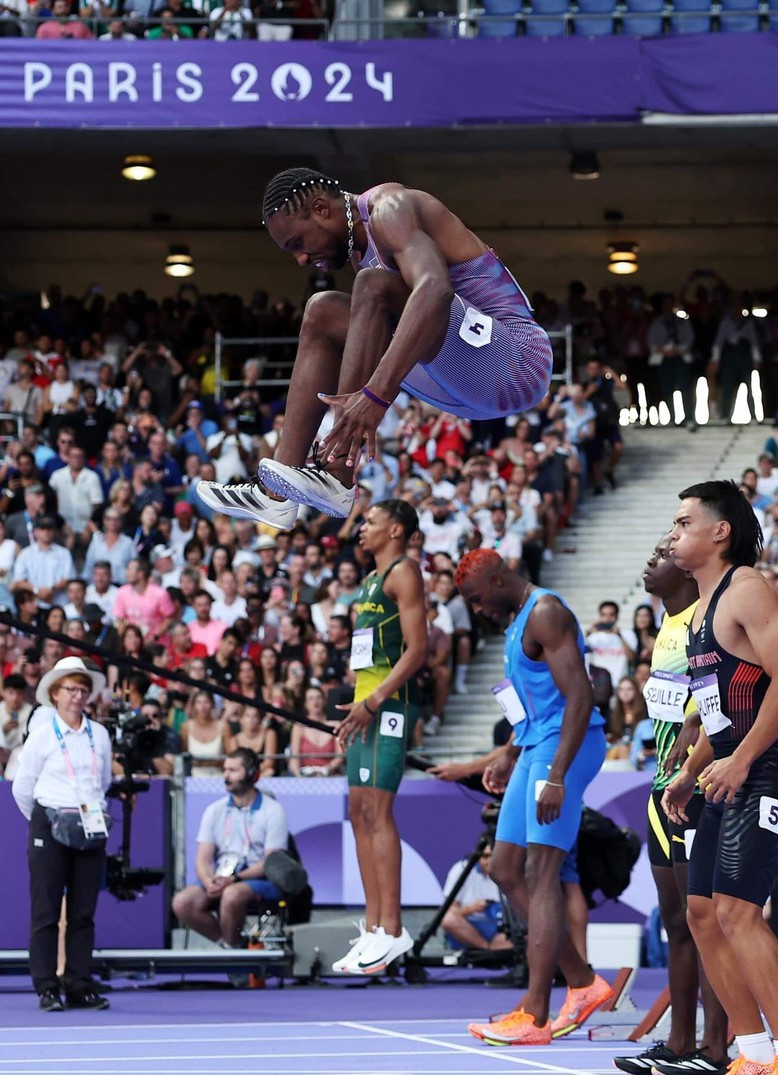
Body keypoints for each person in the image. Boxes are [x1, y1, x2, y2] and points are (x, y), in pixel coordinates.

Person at [196, 169, 552, 528]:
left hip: (517, 362)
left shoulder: (389, 209)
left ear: (321, 209)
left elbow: (435, 291)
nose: (301, 260)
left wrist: (375, 396)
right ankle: (275, 494)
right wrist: (372, 393)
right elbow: (402, 335)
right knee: (321, 311)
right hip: (461, 384)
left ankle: (337, 473)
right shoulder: (357, 245)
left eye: (297, 244)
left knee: (373, 285)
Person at [662, 480, 778, 1075]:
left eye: (683, 522)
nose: (673, 533)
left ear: (719, 531)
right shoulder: (700, 610)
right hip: (730, 770)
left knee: (737, 911)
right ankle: (751, 1051)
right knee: (700, 911)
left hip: (769, 768)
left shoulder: (747, 588)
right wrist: (692, 769)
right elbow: (720, 708)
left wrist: (743, 759)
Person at [454, 548, 611, 1047]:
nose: (477, 609)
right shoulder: (517, 620)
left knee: (540, 875)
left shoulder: (545, 612)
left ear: (499, 578)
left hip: (566, 748)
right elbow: (535, 707)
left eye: (477, 599)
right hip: (537, 746)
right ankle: (583, 984)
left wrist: (558, 775)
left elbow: (581, 698)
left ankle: (536, 1014)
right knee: (503, 868)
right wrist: (508, 753)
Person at [614, 537, 728, 1075]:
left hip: (697, 788)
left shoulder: (702, 623)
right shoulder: (666, 627)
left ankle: (716, 1048)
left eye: (660, 554)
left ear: (683, 570)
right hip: (660, 788)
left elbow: (721, 699)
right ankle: (679, 1045)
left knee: (703, 921)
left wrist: (692, 735)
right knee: (676, 924)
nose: (649, 560)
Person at [329, 499, 427, 974]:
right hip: (366, 704)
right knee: (357, 809)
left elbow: (419, 649)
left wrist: (374, 702)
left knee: (378, 809)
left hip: (390, 706)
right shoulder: (369, 580)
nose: (360, 527)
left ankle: (392, 927)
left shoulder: (404, 572)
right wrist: (355, 706)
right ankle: (371, 928)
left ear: (395, 530)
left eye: (370, 521)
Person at [11, 657, 111, 1012]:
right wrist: (44, 820)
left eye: (83, 689)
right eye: (71, 689)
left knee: (84, 911)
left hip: (89, 823)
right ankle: (47, 987)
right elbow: (22, 787)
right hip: (49, 823)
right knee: (46, 910)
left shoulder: (99, 734)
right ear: (55, 694)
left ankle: (79, 984)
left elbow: (104, 783)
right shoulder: (41, 736)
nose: (78, 696)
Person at [171, 749, 296, 948]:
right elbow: (203, 858)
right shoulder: (215, 810)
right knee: (182, 902)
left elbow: (271, 863)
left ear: (251, 774)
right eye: (225, 770)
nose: (226, 776)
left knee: (232, 894)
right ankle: (231, 946)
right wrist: (209, 881)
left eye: (233, 770)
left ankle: (234, 955)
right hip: (224, 877)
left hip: (260, 880)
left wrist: (234, 879)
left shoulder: (272, 810)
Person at [441, 844, 512, 953]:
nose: (489, 860)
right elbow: (448, 910)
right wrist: (471, 909)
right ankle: (486, 949)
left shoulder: (510, 870)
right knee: (448, 919)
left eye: (493, 856)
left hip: (497, 927)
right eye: (485, 856)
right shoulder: (461, 869)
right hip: (469, 925)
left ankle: (494, 949)